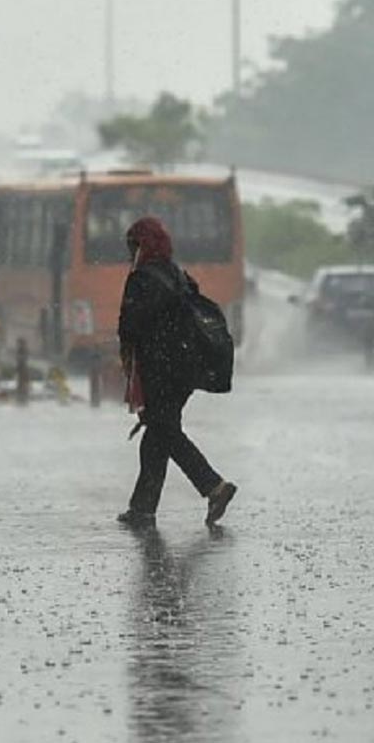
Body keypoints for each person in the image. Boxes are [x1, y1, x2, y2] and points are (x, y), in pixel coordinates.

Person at [116, 216, 237, 528]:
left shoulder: (141, 279)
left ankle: (214, 486)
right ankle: (142, 509)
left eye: (132, 246)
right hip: (185, 370)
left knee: (165, 432)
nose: (130, 253)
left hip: (159, 370)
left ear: (141, 246)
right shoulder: (177, 274)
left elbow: (130, 326)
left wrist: (127, 354)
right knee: (157, 434)